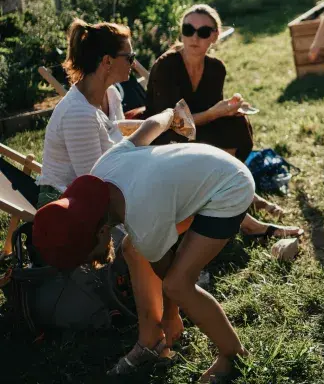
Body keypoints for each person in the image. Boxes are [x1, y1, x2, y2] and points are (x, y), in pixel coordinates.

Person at [31, 109, 255, 382]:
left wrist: (172, 316)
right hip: (208, 170)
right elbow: (150, 126)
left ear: (102, 231)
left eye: (86, 254)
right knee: (132, 249)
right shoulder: (103, 169)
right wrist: (171, 114)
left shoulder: (142, 219)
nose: (88, 262)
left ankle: (232, 354)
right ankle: (150, 338)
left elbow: (169, 276)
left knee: (177, 285)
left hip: (230, 188)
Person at [146, 4, 301, 237]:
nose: (194, 37)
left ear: (215, 37)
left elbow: (209, 110)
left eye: (203, 32)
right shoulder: (166, 65)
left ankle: (232, 189)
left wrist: (229, 110)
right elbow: (171, 123)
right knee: (210, 139)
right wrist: (215, 113)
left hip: (197, 130)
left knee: (238, 125)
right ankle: (243, 208)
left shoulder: (216, 68)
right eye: (188, 29)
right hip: (166, 136)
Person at [36, 20, 138, 207]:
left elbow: (120, 140)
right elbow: (93, 183)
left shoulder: (111, 94)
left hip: (104, 192)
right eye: (130, 57)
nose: (134, 62)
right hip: (67, 205)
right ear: (107, 61)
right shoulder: (78, 113)